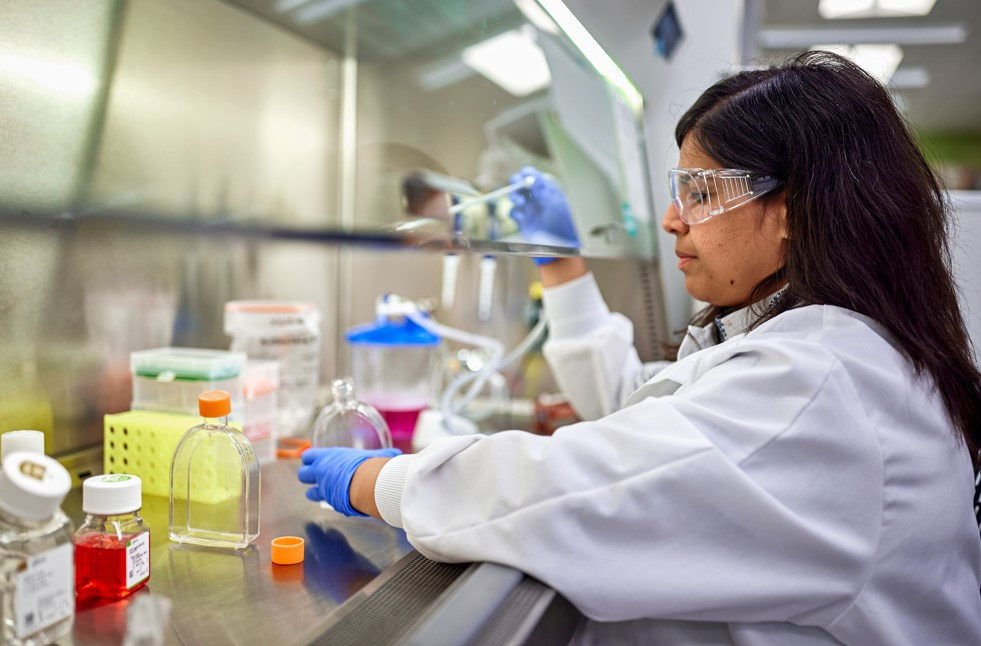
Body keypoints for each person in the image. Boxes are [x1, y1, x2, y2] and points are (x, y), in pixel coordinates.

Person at [298, 52, 981, 643]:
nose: (670, 219)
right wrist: (560, 265)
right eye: (675, 188)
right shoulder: (827, 350)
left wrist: (378, 479)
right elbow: (649, 414)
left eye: (699, 191)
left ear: (793, 212)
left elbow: (582, 484)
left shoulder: (818, 388)